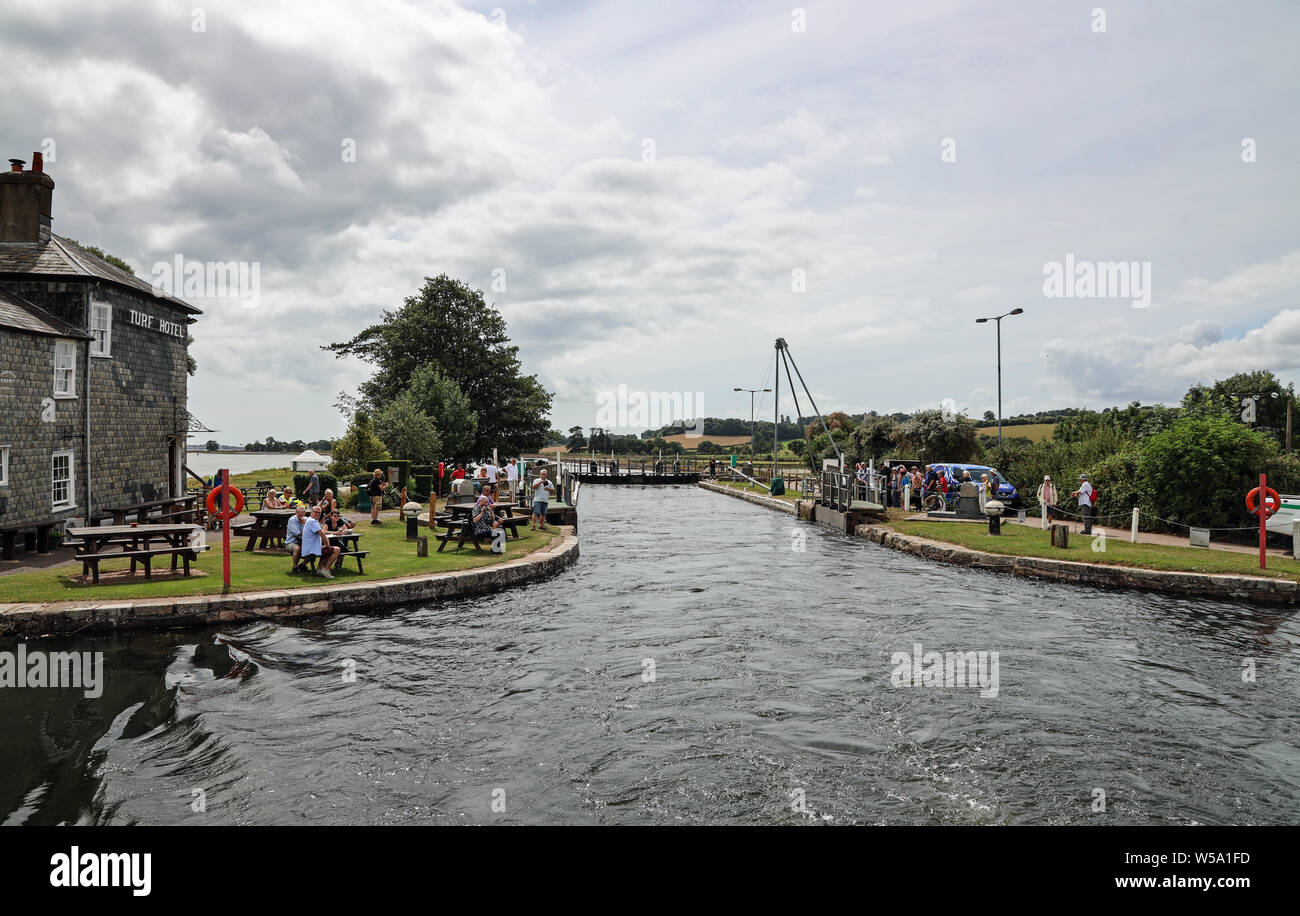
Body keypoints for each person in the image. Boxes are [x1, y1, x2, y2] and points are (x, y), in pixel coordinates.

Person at [301, 505, 340, 578]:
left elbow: (322, 533)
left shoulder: (310, 520)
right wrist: (327, 544)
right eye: (315, 512)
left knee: (326, 550)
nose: (317, 514)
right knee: (337, 549)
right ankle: (326, 570)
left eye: (319, 512)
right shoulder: (312, 521)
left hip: (311, 548)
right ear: (311, 513)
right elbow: (321, 533)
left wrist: (326, 545)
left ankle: (319, 570)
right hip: (311, 551)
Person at [286, 505, 307, 572]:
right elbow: (298, 534)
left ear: (304, 513)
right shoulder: (292, 520)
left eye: (301, 512)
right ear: (295, 513)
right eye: (298, 512)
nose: (300, 514)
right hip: (291, 542)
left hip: (303, 542)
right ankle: (294, 568)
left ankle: (303, 565)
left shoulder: (306, 519)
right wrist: (305, 526)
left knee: (314, 548)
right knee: (297, 548)